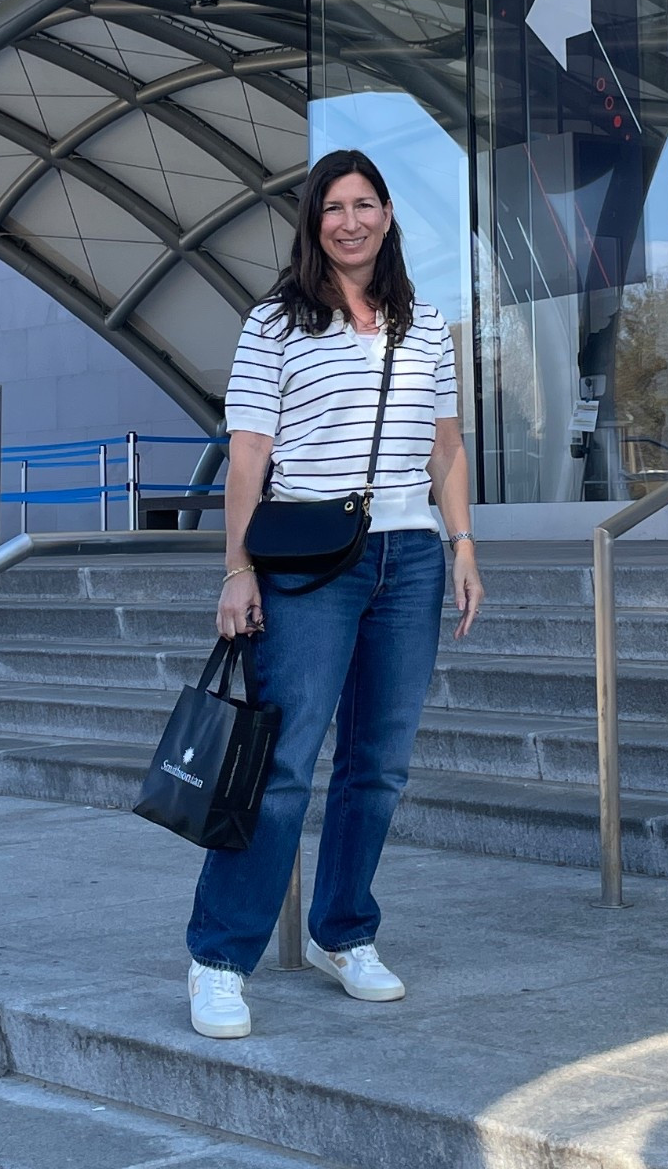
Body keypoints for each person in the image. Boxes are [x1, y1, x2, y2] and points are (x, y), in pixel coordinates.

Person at [185, 148, 483, 1040]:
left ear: (388, 216)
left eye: (364, 205)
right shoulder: (276, 322)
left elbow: (446, 449)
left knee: (378, 764)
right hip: (311, 561)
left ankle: (343, 932)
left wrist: (463, 545)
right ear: (313, 223)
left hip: (410, 556)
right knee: (281, 763)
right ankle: (219, 958)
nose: (350, 221)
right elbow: (249, 455)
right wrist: (238, 568)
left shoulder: (425, 328)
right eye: (333, 208)